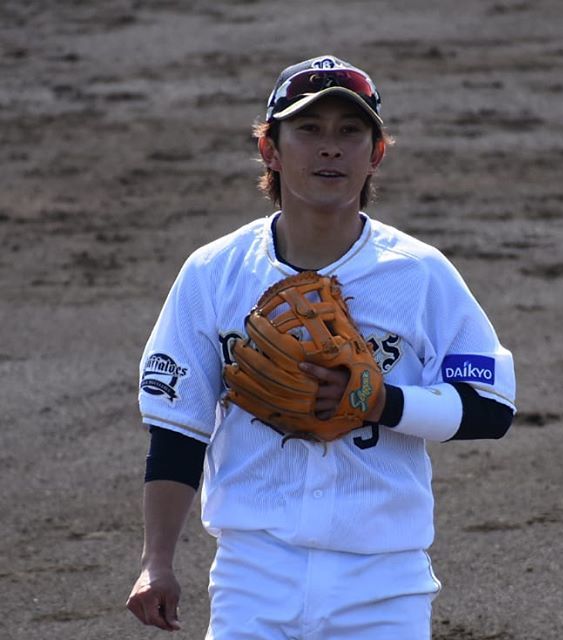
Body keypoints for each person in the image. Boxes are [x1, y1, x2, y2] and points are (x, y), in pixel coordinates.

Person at [126, 54, 516, 639]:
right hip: (251, 577)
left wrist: (382, 402)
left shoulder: (419, 274)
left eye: (350, 131)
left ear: (375, 153)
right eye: (308, 129)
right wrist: (155, 562)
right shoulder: (214, 273)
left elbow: (490, 406)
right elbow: (178, 429)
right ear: (271, 150)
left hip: (384, 584)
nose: (330, 148)